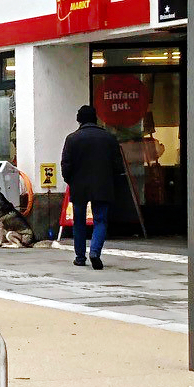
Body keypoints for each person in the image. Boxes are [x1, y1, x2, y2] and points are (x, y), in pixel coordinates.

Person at [61, 104, 126, 270]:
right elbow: (118, 165)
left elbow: (66, 165)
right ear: (95, 118)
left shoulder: (72, 138)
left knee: (79, 222)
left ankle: (80, 257)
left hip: (79, 187)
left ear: (79, 119)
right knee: (100, 220)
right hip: (103, 186)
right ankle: (95, 252)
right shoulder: (109, 138)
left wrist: (70, 180)